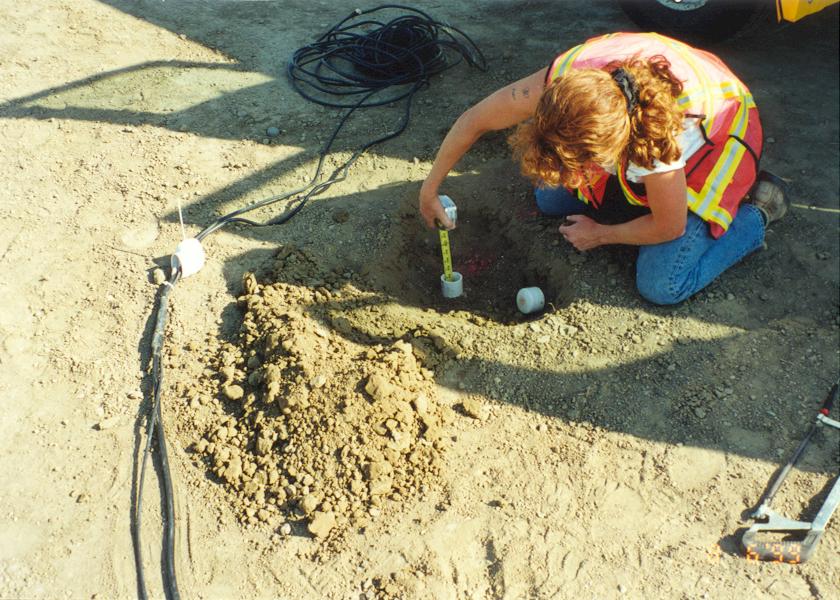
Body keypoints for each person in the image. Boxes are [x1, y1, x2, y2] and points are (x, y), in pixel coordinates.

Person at [418, 32, 789, 305]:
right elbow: (475, 119)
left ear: (606, 154)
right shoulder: (562, 83)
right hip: (655, 79)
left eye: (579, 168)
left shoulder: (658, 146)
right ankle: (622, 196)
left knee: (662, 284)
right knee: (548, 198)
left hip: (723, 129)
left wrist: (600, 234)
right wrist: (430, 189)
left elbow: (668, 225)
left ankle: (758, 212)